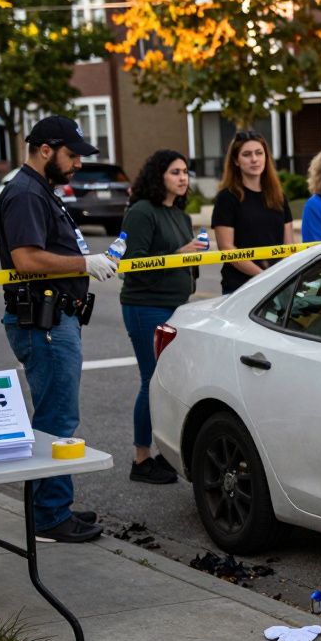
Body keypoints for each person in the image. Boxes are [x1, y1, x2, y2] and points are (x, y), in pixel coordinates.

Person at [0, 116, 116, 543]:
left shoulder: (39, 190)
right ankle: (48, 518)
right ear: (46, 149)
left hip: (53, 318)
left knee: (59, 418)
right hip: (43, 322)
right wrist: (84, 263)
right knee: (55, 419)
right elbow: (26, 259)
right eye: (73, 154)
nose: (79, 163)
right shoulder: (26, 193)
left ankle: (54, 505)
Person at [118, 149, 204, 485]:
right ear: (158, 176)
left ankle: (163, 453)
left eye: (185, 172)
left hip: (176, 305)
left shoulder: (180, 216)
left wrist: (190, 260)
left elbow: (181, 262)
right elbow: (133, 267)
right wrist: (180, 254)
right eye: (175, 172)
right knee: (151, 379)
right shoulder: (141, 212)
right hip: (145, 306)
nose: (183, 178)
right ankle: (141, 459)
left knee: (170, 382)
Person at [212, 130, 295, 294]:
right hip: (240, 287)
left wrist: (279, 277)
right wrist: (262, 276)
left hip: (277, 285)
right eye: (247, 154)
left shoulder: (278, 196)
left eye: (259, 153)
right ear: (236, 160)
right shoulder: (227, 198)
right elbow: (227, 248)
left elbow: (288, 246)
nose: (255, 159)